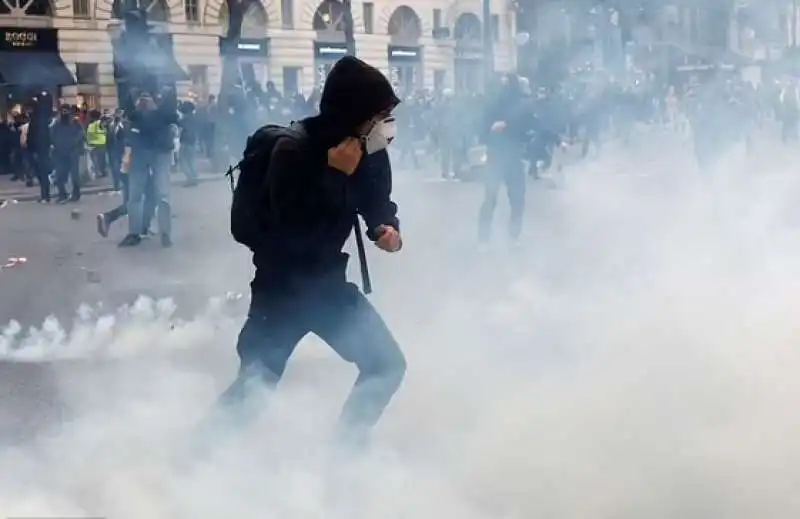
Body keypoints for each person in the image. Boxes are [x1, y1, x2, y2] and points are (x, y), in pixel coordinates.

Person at [217, 56, 407, 445]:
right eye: (380, 113)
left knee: (386, 366)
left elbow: (377, 201)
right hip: (280, 291)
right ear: (354, 113)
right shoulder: (294, 150)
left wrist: (387, 228)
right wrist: (335, 175)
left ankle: (345, 452)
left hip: (329, 289)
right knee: (254, 389)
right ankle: (195, 462)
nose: (387, 123)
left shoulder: (369, 150)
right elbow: (294, 229)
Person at [118, 90, 177, 248]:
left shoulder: (162, 114)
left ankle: (165, 234)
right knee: (135, 196)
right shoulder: (136, 116)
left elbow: (173, 115)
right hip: (141, 154)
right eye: (141, 98)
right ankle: (134, 233)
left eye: (147, 98)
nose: (144, 101)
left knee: (162, 194)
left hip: (159, 153)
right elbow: (128, 133)